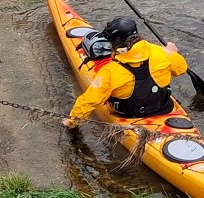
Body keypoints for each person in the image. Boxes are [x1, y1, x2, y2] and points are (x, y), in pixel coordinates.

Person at [61, 16, 189, 126]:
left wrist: (72, 122)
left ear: (116, 43)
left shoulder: (110, 71)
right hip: (164, 108)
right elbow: (181, 69)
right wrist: (171, 52)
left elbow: (88, 101)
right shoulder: (162, 53)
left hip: (129, 116)